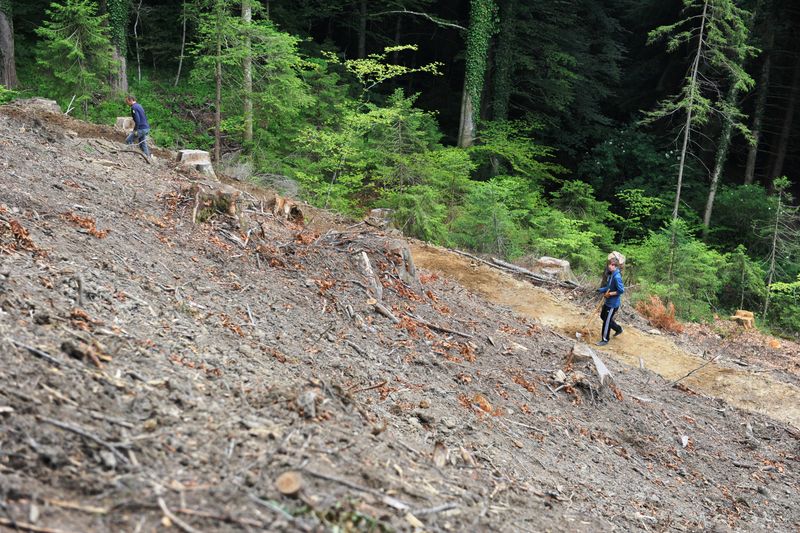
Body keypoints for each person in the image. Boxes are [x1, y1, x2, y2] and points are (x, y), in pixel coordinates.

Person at [596, 256, 624, 346]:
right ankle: (618, 329)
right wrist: (601, 290)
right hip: (608, 302)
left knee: (606, 322)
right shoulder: (611, 274)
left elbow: (621, 290)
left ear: (615, 266)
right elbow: (608, 287)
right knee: (603, 316)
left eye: (612, 265)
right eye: (609, 264)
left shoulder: (617, 277)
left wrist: (610, 294)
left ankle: (605, 339)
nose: (609, 266)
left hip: (613, 304)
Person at [125, 95, 151, 160]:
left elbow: (137, 120)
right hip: (146, 128)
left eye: (127, 101)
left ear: (131, 100)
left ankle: (131, 155)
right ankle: (147, 157)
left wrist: (135, 130)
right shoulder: (139, 105)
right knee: (142, 143)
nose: (126, 103)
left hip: (141, 128)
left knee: (128, 140)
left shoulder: (133, 108)